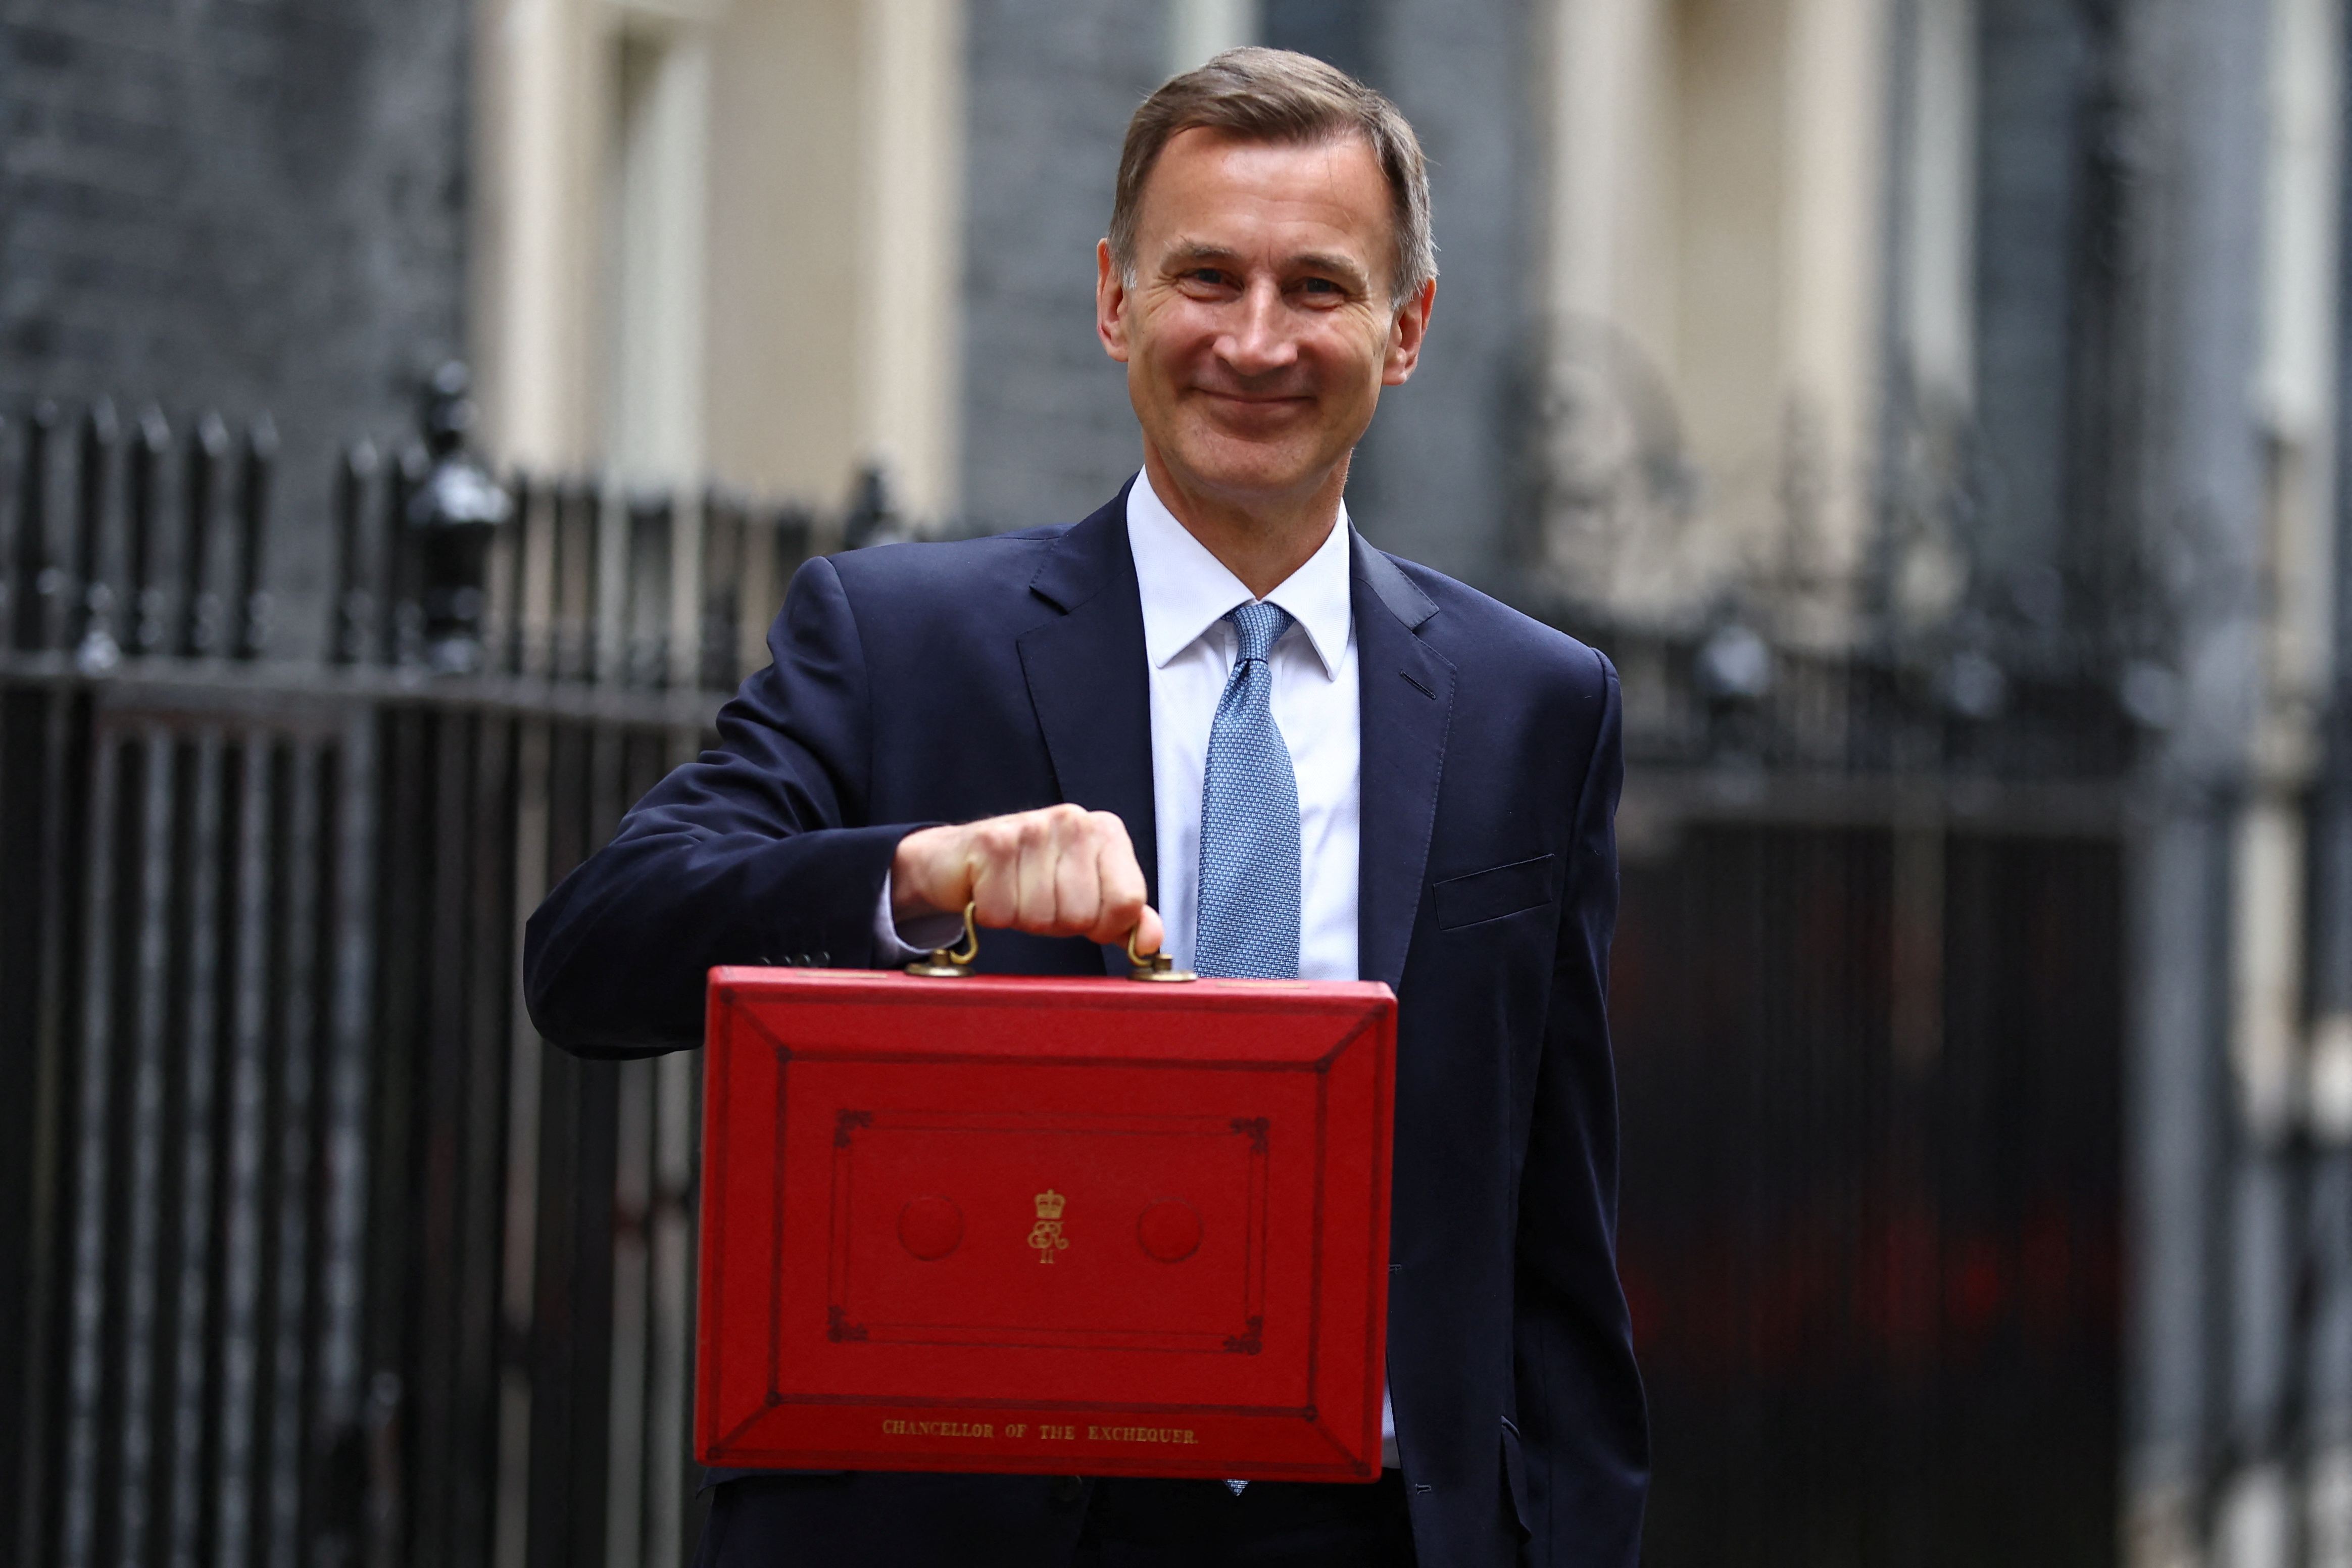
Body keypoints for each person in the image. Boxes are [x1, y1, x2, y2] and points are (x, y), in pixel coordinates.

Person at [524, 46, 1646, 1568]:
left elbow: (1557, 1243)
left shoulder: (1538, 704)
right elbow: (588, 955)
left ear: (1407, 331)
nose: (1254, 341)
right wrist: (923, 876)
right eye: (1206, 279)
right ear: (1116, 298)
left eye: (1318, 287)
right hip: (978, 1526)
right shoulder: (897, 639)